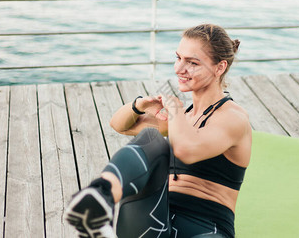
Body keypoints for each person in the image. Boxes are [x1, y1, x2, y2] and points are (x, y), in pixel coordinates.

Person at [64, 24, 252, 238]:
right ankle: (100, 198)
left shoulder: (233, 118)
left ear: (219, 68)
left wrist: (174, 108)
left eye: (192, 63)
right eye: (178, 57)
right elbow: (121, 125)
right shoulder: (184, 117)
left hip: (206, 228)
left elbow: (186, 150)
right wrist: (139, 105)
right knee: (151, 138)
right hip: (155, 220)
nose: (179, 68)